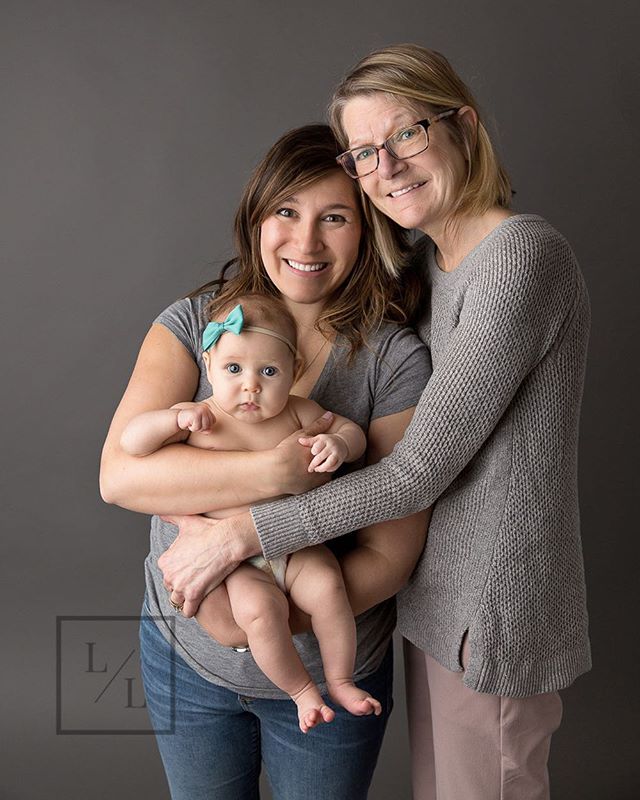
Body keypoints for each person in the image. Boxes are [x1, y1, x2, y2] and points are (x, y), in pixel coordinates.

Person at [157, 46, 592, 800]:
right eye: (365, 152)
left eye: (408, 135)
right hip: (436, 606)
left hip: (493, 611)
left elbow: (421, 469)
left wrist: (244, 532)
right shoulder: (429, 265)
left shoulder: (520, 258)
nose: (386, 166)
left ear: (464, 126)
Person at [100, 124, 431, 799]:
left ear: (366, 230)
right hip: (186, 660)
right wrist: (275, 479)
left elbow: (391, 555)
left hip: (331, 658)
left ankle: (319, 684)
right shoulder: (196, 326)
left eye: (334, 218)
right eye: (287, 212)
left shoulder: (393, 361)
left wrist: (259, 617)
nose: (306, 242)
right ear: (256, 219)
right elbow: (120, 475)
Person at [120, 293, 391, 732]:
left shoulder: (299, 412)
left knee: (328, 587)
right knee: (260, 614)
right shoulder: (198, 415)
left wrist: (339, 444)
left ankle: (339, 679)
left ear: (293, 373)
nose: (251, 386)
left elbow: (350, 431)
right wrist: (172, 421)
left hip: (292, 544)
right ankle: (302, 692)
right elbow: (132, 442)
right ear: (208, 366)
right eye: (233, 369)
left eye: (268, 372)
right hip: (233, 564)